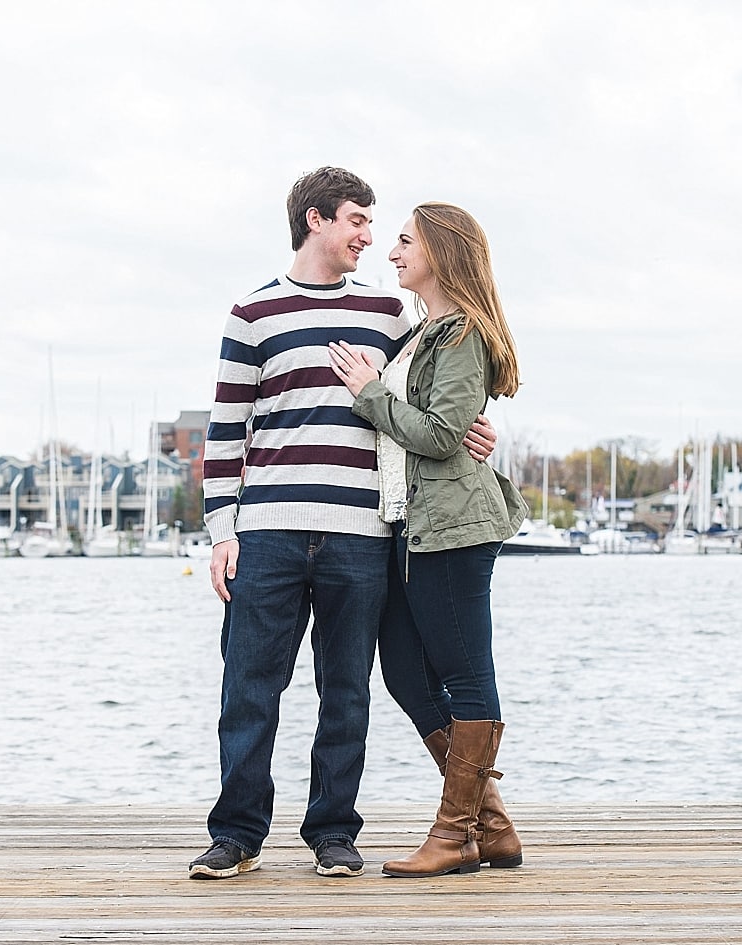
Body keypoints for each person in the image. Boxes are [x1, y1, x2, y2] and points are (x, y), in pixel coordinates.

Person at [192, 170, 496, 881]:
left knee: (347, 690)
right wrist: (221, 531)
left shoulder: (391, 316)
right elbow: (225, 432)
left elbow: (433, 403)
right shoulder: (252, 313)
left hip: (362, 534)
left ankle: (334, 831)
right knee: (248, 688)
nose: (369, 237)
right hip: (265, 531)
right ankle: (235, 834)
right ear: (316, 220)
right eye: (358, 221)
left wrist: (480, 431)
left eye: (375, 225)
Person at [327, 201, 529, 878]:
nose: (391, 250)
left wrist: (366, 391)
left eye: (405, 240)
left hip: (453, 529)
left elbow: (442, 436)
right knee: (406, 671)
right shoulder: (423, 331)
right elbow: (442, 425)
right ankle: (490, 822)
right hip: (412, 526)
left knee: (465, 675)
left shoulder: (462, 332)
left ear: (440, 250)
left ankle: (454, 834)